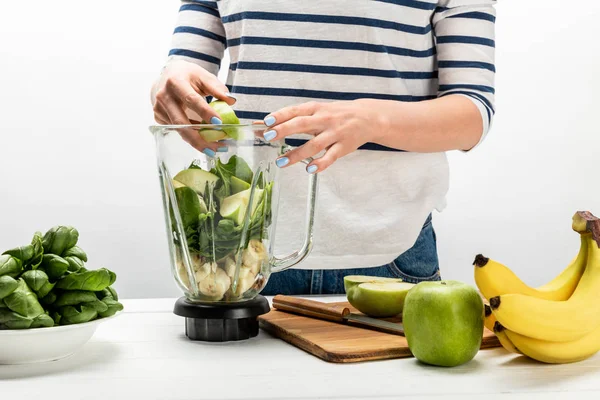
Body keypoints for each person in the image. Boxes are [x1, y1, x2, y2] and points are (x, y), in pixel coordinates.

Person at [151, 0, 496, 295]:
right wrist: (172, 80)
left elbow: (473, 112)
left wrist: (375, 120)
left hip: (390, 255)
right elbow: (187, 71)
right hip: (240, 254)